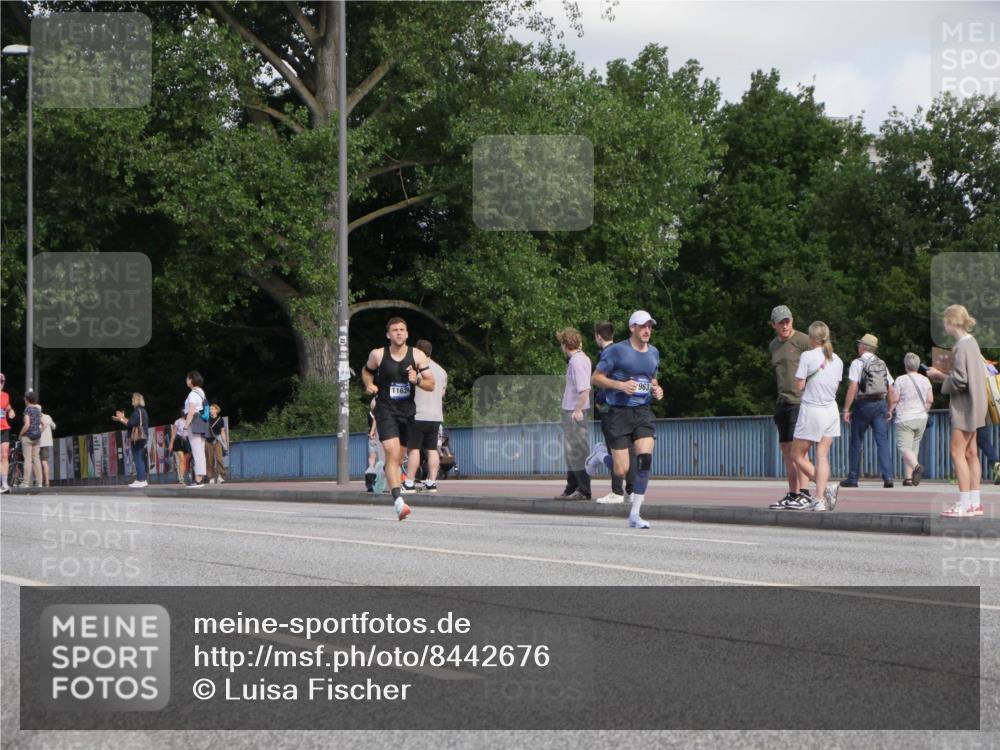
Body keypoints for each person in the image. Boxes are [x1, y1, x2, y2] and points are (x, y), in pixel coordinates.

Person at [591, 310, 664, 529]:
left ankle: (635, 514)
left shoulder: (654, 353)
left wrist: (657, 389)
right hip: (619, 413)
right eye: (643, 326)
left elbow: (651, 379)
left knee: (644, 460)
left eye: (650, 326)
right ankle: (600, 454)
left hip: (642, 412)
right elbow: (596, 378)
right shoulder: (617, 351)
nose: (647, 330)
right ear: (632, 328)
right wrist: (620, 385)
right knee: (621, 469)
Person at [362, 317, 435, 520]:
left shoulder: (417, 355)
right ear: (388, 334)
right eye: (395, 330)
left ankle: (385, 471)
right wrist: (369, 384)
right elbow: (366, 371)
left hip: (407, 413)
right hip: (386, 411)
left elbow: (431, 384)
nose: (399, 333)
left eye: (402, 329)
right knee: (392, 453)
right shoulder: (378, 354)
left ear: (407, 333)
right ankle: (398, 501)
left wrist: (417, 379)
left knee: (398, 458)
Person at [927, 305, 989, 517]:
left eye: (945, 321)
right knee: (972, 454)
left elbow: (961, 380)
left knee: (957, 452)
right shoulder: (972, 343)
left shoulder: (961, 346)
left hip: (964, 407)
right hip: (977, 405)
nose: (944, 326)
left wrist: (939, 376)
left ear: (951, 322)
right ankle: (974, 503)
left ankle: (964, 504)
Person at [788, 322, 844, 511]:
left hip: (812, 410)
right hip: (831, 411)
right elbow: (835, 386)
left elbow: (799, 386)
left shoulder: (807, 356)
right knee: (822, 455)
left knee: (796, 454)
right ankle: (819, 499)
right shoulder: (837, 359)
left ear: (811, 337)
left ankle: (825, 489)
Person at [767, 305, 813, 510]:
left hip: (800, 402)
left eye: (787, 321)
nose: (785, 326)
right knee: (786, 449)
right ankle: (793, 493)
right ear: (774, 325)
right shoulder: (774, 345)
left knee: (799, 450)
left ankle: (805, 493)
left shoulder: (804, 341)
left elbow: (821, 361)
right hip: (783, 400)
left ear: (792, 321)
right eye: (781, 323)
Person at [586, 321, 636, 504]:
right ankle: (630, 490)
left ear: (598, 337)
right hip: (628, 407)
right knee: (630, 451)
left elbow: (601, 381)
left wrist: (599, 401)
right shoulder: (625, 351)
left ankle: (617, 490)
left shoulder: (606, 354)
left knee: (616, 451)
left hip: (611, 410)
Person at [841, 333, 897, 488]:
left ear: (863, 347)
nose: (858, 346)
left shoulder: (857, 363)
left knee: (856, 441)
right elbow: (890, 388)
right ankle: (888, 477)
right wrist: (890, 408)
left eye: (859, 344)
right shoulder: (882, 363)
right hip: (880, 404)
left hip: (863, 405)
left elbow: (853, 387)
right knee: (882, 442)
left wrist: (846, 409)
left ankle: (853, 478)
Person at [404, 339, 447, 494]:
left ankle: (409, 483)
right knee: (432, 449)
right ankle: (431, 483)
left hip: (418, 414)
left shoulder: (415, 368)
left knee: (414, 449)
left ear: (418, 351)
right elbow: (442, 394)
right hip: (436, 415)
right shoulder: (441, 371)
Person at [554, 328, 592, 501]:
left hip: (575, 412)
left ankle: (583, 489)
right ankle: (571, 487)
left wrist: (577, 410)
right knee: (572, 452)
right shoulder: (580, 359)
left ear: (565, 345)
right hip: (572, 410)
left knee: (577, 452)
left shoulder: (577, 362)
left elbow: (584, 390)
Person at [891, 353, 934, 486]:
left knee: (904, 447)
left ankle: (917, 467)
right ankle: (908, 478)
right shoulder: (925, 380)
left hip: (905, 418)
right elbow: (930, 399)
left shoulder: (900, 380)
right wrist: (924, 411)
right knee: (913, 448)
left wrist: (889, 410)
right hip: (921, 418)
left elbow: (895, 399)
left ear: (905, 365)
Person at [114, 393, 149, 488]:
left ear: (136, 400)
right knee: (139, 458)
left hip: (138, 438)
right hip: (143, 437)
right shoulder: (143, 411)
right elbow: (132, 422)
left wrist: (121, 419)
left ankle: (141, 480)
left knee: (137, 458)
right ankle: (142, 479)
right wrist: (122, 418)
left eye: (133, 399)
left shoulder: (137, 411)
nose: (132, 401)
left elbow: (130, 424)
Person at [183, 371, 210, 489]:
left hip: (194, 422)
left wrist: (185, 426)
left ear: (191, 379)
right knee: (200, 451)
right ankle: (200, 477)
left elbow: (191, 411)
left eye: (187, 378)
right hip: (202, 422)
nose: (186, 381)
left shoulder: (192, 394)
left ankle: (198, 480)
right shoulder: (201, 392)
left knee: (197, 451)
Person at [18, 390, 43, 489]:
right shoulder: (38, 410)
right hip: (37, 438)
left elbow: (27, 425)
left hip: (27, 437)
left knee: (27, 460)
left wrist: (20, 434)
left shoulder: (27, 410)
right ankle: (40, 483)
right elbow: (44, 424)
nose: (24, 399)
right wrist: (39, 431)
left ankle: (25, 483)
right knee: (36, 459)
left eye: (25, 398)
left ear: (27, 400)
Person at [206, 404, 228, 484]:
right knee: (210, 460)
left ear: (216, 410)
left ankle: (221, 476)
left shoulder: (220, 419)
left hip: (218, 441)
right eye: (210, 409)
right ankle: (211, 477)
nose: (210, 410)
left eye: (212, 409)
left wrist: (225, 443)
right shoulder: (207, 419)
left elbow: (222, 432)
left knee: (219, 459)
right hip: (208, 441)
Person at [0, 373, 14, 494]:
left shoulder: (5, 395)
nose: (0, 384)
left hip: (4, 428)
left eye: (1, 381)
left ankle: (4, 484)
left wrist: (11, 411)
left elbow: (8, 407)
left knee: (5, 456)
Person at [170, 410, 191, 485]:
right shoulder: (178, 421)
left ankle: (185, 476)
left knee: (186, 461)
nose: (185, 414)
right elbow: (174, 433)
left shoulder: (190, 420)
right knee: (182, 459)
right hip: (179, 441)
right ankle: (181, 478)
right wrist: (171, 444)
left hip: (188, 441)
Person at [38, 408, 56, 487]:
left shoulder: (34, 417)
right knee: (44, 461)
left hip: (37, 442)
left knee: (36, 462)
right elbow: (54, 426)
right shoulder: (47, 417)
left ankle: (39, 481)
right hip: (46, 442)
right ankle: (47, 482)